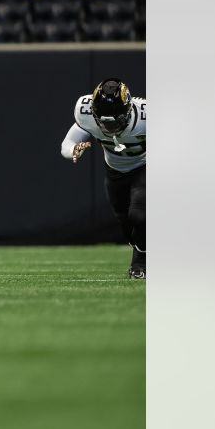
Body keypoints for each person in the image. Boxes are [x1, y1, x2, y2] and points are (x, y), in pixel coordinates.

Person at [60, 78, 146, 279]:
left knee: (139, 215)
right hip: (115, 171)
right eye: (105, 121)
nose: (110, 127)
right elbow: (68, 142)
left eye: (116, 119)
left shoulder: (146, 116)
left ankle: (140, 265)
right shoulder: (85, 112)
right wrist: (74, 149)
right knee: (126, 223)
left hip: (144, 166)